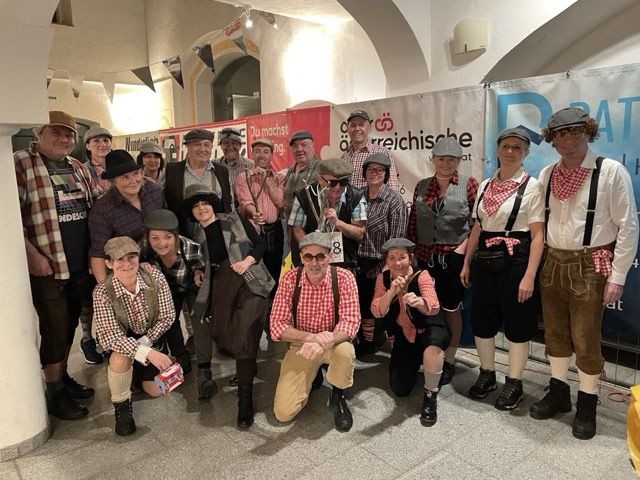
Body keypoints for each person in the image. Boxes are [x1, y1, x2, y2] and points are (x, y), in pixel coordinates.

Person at [531, 107, 639, 440]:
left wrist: (617, 277)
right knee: (555, 334)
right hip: (552, 261)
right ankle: (559, 392)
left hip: (590, 265)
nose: (568, 139)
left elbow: (628, 226)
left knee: (585, 338)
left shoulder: (610, 171)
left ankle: (588, 402)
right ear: (552, 139)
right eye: (560, 134)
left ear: (588, 132)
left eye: (575, 132)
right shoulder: (548, 173)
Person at [15, 111, 101, 420]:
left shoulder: (77, 166)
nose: (64, 139)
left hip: (78, 263)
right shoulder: (21, 163)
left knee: (70, 325)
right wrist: (30, 255)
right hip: (47, 265)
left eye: (69, 135)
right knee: (54, 327)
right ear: (39, 132)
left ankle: (62, 377)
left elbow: (96, 204)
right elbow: (8, 215)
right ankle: (53, 393)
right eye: (57, 132)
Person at [460, 127, 544, 411]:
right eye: (506, 146)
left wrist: (530, 275)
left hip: (517, 254)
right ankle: (487, 374)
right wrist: (467, 262)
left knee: (517, 319)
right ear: (497, 150)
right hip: (485, 253)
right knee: (482, 317)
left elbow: (538, 235)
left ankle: (515, 382)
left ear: (525, 153)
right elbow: (478, 227)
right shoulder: (485, 185)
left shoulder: (532, 187)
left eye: (517, 148)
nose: (510, 151)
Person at [185, 183, 274, 428]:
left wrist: (247, 261)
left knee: (245, 334)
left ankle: (245, 400)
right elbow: (200, 262)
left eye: (205, 203)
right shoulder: (197, 235)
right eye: (196, 206)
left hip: (249, 280)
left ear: (213, 204)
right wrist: (199, 271)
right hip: (221, 283)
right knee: (222, 334)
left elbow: (260, 244)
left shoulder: (234, 220)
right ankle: (248, 366)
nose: (202, 208)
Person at [270, 232, 360, 432]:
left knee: (345, 352)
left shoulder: (344, 277)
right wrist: (311, 338)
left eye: (320, 256)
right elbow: (277, 325)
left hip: (334, 341)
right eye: (308, 256)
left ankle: (338, 396)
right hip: (301, 345)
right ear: (301, 258)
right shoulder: (289, 279)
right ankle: (312, 376)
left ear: (330, 256)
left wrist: (323, 342)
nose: (314, 262)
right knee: (283, 413)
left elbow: (351, 322)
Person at [407, 137, 479, 384]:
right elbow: (414, 221)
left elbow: (477, 223)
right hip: (425, 258)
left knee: (451, 309)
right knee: (425, 305)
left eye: (451, 159)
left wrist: (462, 251)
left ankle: (449, 358)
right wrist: (412, 252)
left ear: (458, 161)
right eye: (441, 159)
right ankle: (428, 351)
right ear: (433, 160)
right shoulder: (422, 185)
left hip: (453, 258)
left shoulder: (469, 184)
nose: (446, 163)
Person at [93, 237, 175, 436]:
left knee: (155, 391)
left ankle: (136, 374)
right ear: (109, 263)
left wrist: (147, 345)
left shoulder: (154, 277)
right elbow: (110, 337)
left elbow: (167, 316)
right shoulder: (102, 292)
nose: (127, 264)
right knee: (119, 359)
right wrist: (144, 352)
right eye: (119, 259)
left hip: (151, 338)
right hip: (123, 343)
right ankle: (122, 408)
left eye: (131, 257)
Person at [371, 238, 450, 426]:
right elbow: (376, 310)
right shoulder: (383, 279)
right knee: (400, 388)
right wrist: (391, 292)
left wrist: (419, 301)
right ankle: (422, 364)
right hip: (405, 334)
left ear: (410, 258)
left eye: (402, 257)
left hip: (429, 328)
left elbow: (433, 305)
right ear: (386, 261)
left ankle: (430, 395)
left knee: (432, 346)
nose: (397, 262)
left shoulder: (421, 275)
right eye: (392, 258)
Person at [141, 209, 207, 374]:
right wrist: (141, 264)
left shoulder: (191, 248)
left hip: (189, 284)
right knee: (169, 319)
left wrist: (198, 271)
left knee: (198, 316)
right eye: (155, 238)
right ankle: (180, 356)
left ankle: (204, 360)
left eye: (168, 237)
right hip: (167, 290)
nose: (161, 243)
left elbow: (202, 266)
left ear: (176, 236)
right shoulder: (143, 248)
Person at [355, 153, 408, 356]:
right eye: (370, 169)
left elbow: (397, 239)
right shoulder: (357, 195)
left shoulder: (394, 201)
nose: (374, 173)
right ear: (364, 172)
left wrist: (389, 269)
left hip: (381, 264)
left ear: (386, 173)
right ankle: (368, 341)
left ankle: (396, 348)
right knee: (363, 304)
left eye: (379, 170)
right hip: (358, 261)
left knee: (386, 307)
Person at [89, 149, 167, 283]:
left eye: (136, 173)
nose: (133, 181)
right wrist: (104, 289)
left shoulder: (154, 191)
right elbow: (98, 254)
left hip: (164, 263)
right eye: (124, 177)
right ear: (113, 181)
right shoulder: (102, 210)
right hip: (127, 273)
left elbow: (167, 225)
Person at [288, 158, 366, 269]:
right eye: (332, 183)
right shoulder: (304, 195)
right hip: (311, 261)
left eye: (343, 182)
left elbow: (359, 233)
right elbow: (297, 228)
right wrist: (312, 252)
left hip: (345, 262)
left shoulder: (356, 196)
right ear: (320, 179)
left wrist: (338, 223)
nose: (337, 187)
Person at [77, 126, 114, 364]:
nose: (102, 144)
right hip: (91, 239)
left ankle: (108, 337)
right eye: (96, 141)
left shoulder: (118, 166)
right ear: (88, 145)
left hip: (116, 240)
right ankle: (87, 339)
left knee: (113, 292)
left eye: (106, 140)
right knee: (90, 295)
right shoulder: (82, 170)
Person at [235, 138, 286, 296]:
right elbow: (245, 202)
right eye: (257, 151)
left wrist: (265, 180)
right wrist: (254, 214)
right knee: (254, 271)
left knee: (274, 272)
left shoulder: (279, 178)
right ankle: (256, 306)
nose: (261, 155)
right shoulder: (243, 177)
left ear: (272, 155)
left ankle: (272, 306)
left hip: (274, 230)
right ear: (252, 155)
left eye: (266, 152)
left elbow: (280, 201)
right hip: (253, 231)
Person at [164, 128, 232, 238]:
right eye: (197, 144)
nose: (203, 149)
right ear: (187, 146)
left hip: (218, 235)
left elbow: (229, 203)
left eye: (207, 145)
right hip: (183, 236)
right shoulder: (171, 171)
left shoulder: (222, 170)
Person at [284, 130, 321, 269]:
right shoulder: (290, 171)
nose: (299, 149)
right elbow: (288, 204)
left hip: (313, 231)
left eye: (304, 145)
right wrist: (289, 233)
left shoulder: (321, 169)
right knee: (298, 269)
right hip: (294, 229)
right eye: (295, 146)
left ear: (313, 147)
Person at [341, 110, 399, 191]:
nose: (357, 129)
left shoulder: (382, 153)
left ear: (369, 128)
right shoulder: (344, 157)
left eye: (361, 125)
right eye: (353, 125)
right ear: (348, 129)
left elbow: (393, 188)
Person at [213, 126, 254, 205]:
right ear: (220, 145)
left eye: (234, 143)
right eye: (226, 143)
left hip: (245, 208)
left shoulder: (251, 166)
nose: (230, 147)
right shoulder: (213, 165)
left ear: (240, 145)